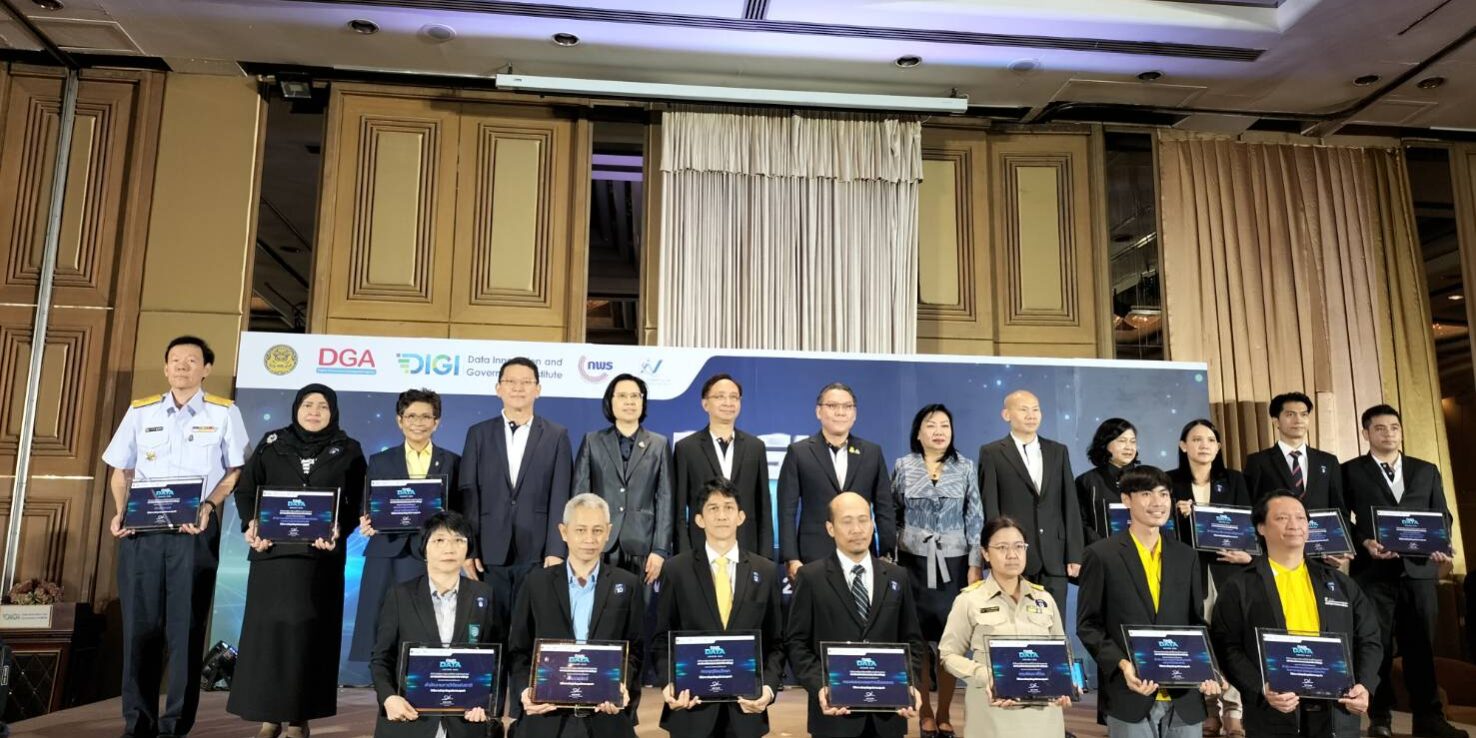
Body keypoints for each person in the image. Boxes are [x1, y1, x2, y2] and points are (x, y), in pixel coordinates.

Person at [102, 335, 249, 738]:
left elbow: (235, 471)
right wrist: (120, 510)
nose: (183, 366)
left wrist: (209, 505)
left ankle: (175, 726)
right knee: (139, 628)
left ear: (206, 369)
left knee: (185, 630)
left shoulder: (224, 412)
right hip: (142, 532)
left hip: (193, 531)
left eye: (192, 360)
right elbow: (121, 471)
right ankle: (137, 722)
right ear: (166, 368)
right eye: (176, 360)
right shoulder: (140, 411)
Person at [228, 384, 367, 738]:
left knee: (309, 640)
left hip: (320, 560)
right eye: (308, 405)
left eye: (322, 406)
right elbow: (246, 489)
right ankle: (268, 718)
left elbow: (356, 501)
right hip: (272, 556)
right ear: (296, 409)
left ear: (333, 412)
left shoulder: (349, 449)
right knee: (269, 639)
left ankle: (298, 719)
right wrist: (251, 523)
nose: (314, 411)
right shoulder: (272, 443)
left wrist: (340, 529)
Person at [1209, 491, 1381, 738]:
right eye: (1282, 518)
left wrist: (1365, 685)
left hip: (1336, 713)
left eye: (1301, 518)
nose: (1294, 525)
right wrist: (1260, 688)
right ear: (1261, 527)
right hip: (1272, 713)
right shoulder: (1240, 586)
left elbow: (1369, 638)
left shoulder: (1340, 584)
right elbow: (1227, 645)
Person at [1342, 405, 1466, 738]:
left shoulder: (1426, 470)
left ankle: (1429, 718)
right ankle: (1380, 717)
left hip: (1420, 572)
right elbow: (1341, 518)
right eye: (1380, 428)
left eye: (1394, 427)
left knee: (1421, 647)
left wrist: (1439, 543)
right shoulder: (1349, 471)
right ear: (1366, 433)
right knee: (1376, 646)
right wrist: (1364, 541)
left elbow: (1442, 514)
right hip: (1372, 573)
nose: (1389, 434)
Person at [1076, 465, 1221, 738]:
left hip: (1184, 697)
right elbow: (1088, 625)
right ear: (1126, 499)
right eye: (1146, 494)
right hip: (1129, 693)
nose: (1158, 502)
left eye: (1164, 494)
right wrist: (1122, 664)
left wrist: (1208, 667)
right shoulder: (1101, 555)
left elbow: (1196, 622)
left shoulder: (1186, 556)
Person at [784, 492, 925, 738]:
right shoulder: (811, 577)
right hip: (834, 715)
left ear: (872, 524)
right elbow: (797, 643)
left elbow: (912, 640)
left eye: (863, 520)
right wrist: (822, 686)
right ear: (830, 528)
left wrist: (908, 683)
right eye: (847, 521)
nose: (857, 529)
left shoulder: (897, 576)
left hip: (888, 716)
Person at [652, 478, 785, 738]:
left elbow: (777, 643)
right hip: (690, 709)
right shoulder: (676, 570)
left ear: (741, 517)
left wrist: (768, 690)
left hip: (746, 711)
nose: (721, 515)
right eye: (713, 508)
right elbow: (661, 639)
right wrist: (669, 683)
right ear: (699, 519)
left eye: (728, 507)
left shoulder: (766, 571)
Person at [507, 493, 643, 737]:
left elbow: (635, 650)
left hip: (606, 714)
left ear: (608, 532)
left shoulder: (628, 584)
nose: (589, 539)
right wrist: (526, 691)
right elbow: (518, 650)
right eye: (580, 530)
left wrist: (621, 684)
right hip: (547, 715)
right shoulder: (535, 583)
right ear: (563, 531)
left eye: (597, 530)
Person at [890, 403, 983, 738]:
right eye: (931, 425)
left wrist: (975, 564)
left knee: (950, 641)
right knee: (916, 639)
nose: (939, 431)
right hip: (912, 563)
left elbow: (975, 517)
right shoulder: (903, 465)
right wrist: (891, 559)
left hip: (954, 565)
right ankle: (925, 713)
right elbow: (892, 512)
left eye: (945, 425)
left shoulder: (965, 466)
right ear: (918, 432)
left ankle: (944, 713)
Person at [369, 511, 505, 738]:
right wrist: (389, 698)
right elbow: (381, 658)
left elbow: (498, 660)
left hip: (467, 723)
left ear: (468, 548)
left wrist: (489, 706)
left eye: (458, 540)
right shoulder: (400, 595)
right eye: (439, 540)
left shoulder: (485, 595)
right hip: (410, 719)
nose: (449, 548)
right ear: (424, 548)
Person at [350, 388, 461, 663]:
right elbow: (368, 503)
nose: (418, 423)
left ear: (437, 422)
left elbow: (459, 509)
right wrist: (367, 519)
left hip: (431, 553)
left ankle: (426, 676)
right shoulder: (380, 460)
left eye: (426, 416)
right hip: (386, 550)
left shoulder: (452, 461)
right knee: (381, 622)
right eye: (411, 416)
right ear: (399, 420)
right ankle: (381, 681)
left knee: (428, 622)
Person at [458, 357, 573, 622]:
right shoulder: (478, 434)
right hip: (488, 551)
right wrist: (469, 548)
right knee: (489, 627)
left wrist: (556, 550)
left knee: (531, 626)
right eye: (511, 381)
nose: (518, 388)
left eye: (526, 382)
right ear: (498, 388)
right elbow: (469, 496)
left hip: (538, 552)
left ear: (538, 389)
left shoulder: (556, 435)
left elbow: (561, 495)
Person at [939, 516, 1072, 737]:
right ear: (985, 553)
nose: (1012, 555)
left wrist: (1064, 683)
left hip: (1043, 721)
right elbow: (948, 655)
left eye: (1019, 546)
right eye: (1002, 548)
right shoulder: (969, 600)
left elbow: (1061, 655)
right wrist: (985, 675)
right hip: (992, 719)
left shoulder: (1044, 599)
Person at [1167, 418, 1252, 737]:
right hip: (1189, 572)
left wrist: (1249, 555)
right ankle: (1208, 708)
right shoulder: (1169, 482)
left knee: (1233, 639)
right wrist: (1176, 514)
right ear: (1183, 445)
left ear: (1218, 447)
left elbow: (1251, 525)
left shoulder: (1235, 480)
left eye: (1210, 440)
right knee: (1198, 639)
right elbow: (1160, 529)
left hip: (1230, 570)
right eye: (1196, 439)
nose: (1204, 445)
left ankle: (1233, 710)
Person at [979, 389, 1083, 613]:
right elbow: (991, 508)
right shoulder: (992, 453)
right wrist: (995, 554)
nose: (1031, 415)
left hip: (1054, 557)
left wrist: (1074, 553)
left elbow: (1070, 504)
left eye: (1036, 409)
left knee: (1054, 624)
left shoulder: (1058, 451)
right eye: (1023, 409)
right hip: (1013, 557)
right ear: (1006, 415)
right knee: (1015, 623)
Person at [778, 382, 895, 579]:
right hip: (813, 555)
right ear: (818, 411)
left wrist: (886, 552)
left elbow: (884, 507)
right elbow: (786, 510)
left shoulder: (872, 453)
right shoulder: (799, 452)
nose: (840, 412)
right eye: (832, 406)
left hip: (862, 554)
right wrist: (791, 557)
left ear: (854, 414)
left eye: (847, 406)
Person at [573, 373, 674, 587]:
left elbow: (665, 500)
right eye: (622, 396)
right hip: (599, 545)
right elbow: (579, 498)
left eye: (635, 396)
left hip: (644, 547)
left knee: (640, 606)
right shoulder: (592, 441)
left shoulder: (659, 444)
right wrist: (580, 545)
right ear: (610, 401)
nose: (629, 401)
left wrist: (660, 550)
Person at [673, 373, 772, 556]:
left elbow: (764, 507)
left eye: (734, 397)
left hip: (747, 548)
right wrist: (683, 556)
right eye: (720, 396)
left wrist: (766, 557)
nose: (728, 402)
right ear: (705, 404)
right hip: (700, 549)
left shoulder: (755, 447)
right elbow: (678, 512)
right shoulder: (686, 448)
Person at [1243, 392, 1346, 515]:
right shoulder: (1258, 461)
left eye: (1304, 414)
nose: (1298, 420)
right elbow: (1249, 508)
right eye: (1290, 414)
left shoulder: (1328, 461)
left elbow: (1340, 511)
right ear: (1276, 421)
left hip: (1321, 528)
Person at [1076, 418, 1139, 544]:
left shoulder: (1147, 479)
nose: (1129, 447)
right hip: (1100, 551)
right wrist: (1103, 548)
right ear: (1105, 444)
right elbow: (1080, 523)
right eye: (1122, 441)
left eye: (1133, 441)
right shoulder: (1087, 481)